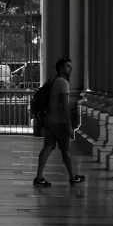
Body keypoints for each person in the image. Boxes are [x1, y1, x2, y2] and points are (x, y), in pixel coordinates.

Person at [33, 57, 85, 187]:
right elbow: (64, 106)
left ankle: (39, 177)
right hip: (60, 122)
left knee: (47, 147)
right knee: (66, 150)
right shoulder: (63, 83)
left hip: (49, 119)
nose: (71, 69)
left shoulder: (53, 80)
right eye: (68, 66)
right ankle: (73, 177)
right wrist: (69, 125)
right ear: (61, 68)